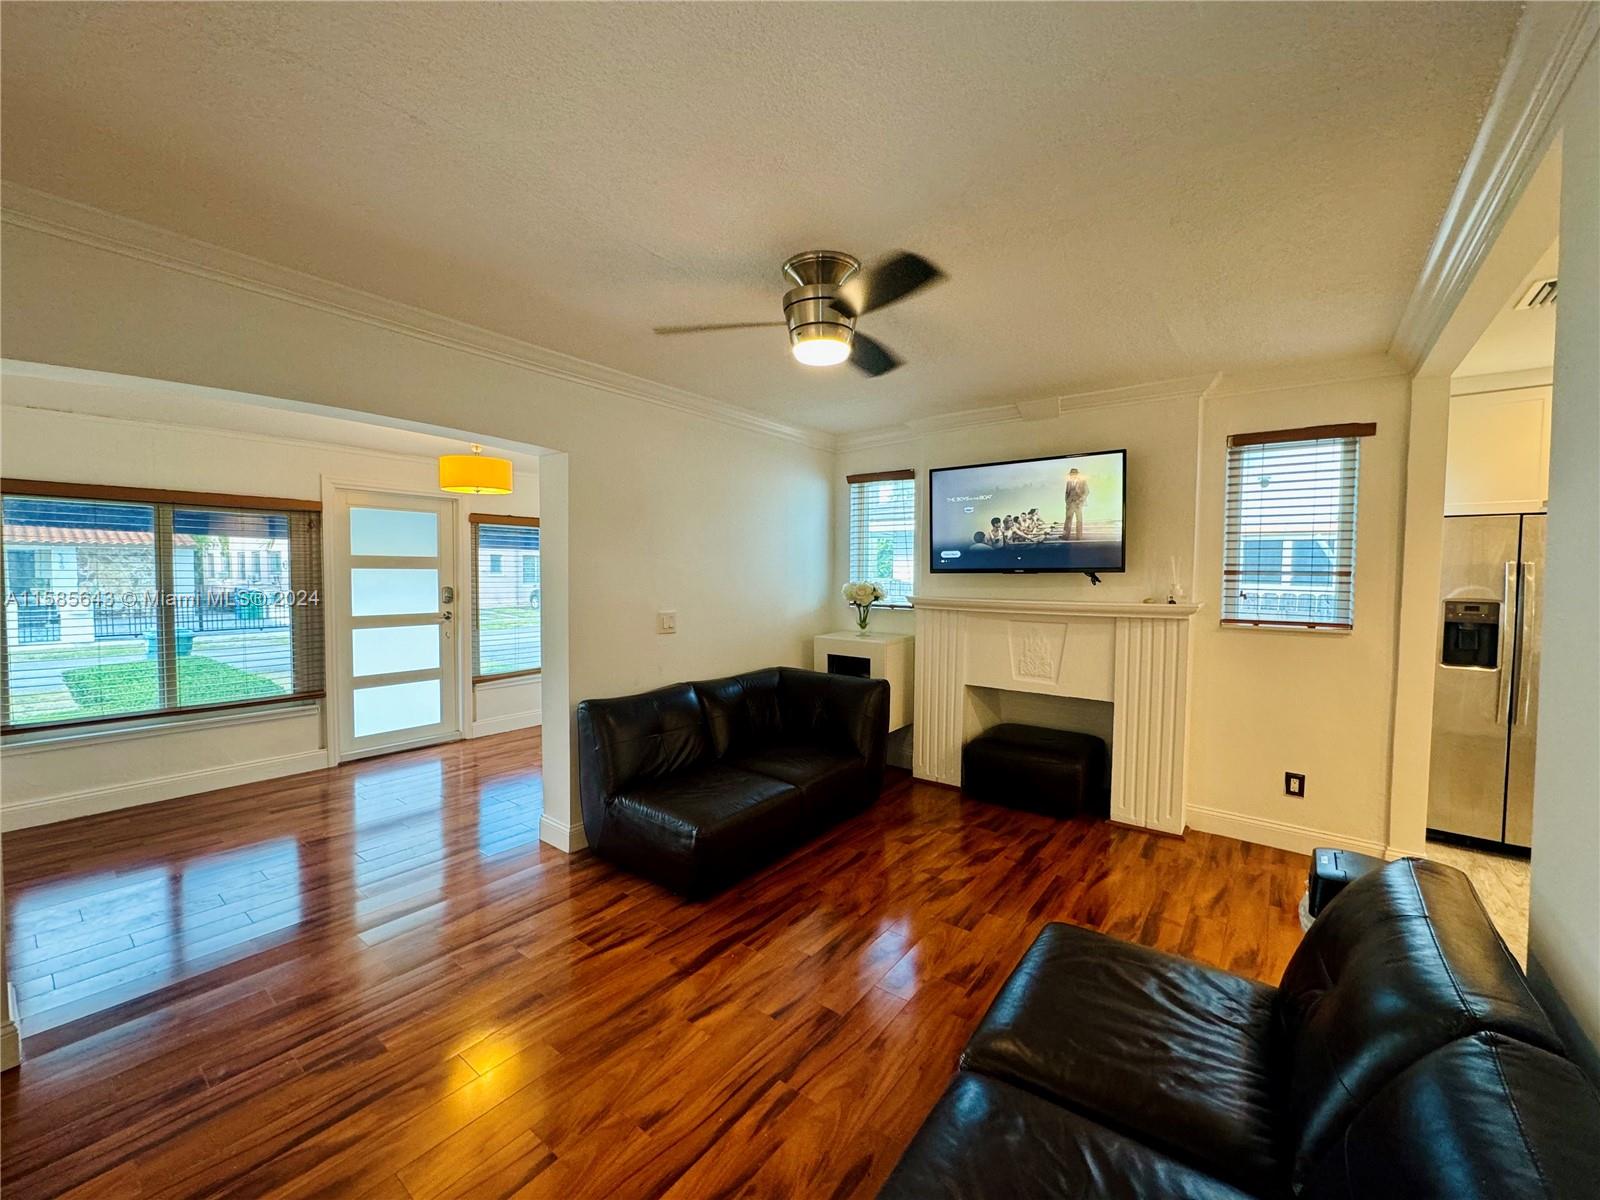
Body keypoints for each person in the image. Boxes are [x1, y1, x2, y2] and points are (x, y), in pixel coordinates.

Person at [1063, 469, 1089, 540]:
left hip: (1078, 504)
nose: (1072, 475)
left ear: (1077, 474)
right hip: (1070, 504)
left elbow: (1086, 492)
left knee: (1079, 520)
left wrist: (1080, 501)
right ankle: (1065, 536)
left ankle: (1079, 536)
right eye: (1071, 474)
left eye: (1074, 474)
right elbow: (1066, 493)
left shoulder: (1082, 482)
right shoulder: (1068, 482)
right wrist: (1067, 502)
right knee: (1068, 520)